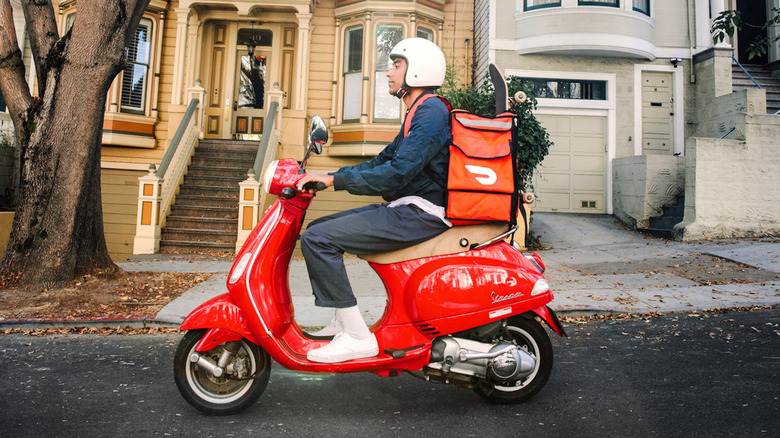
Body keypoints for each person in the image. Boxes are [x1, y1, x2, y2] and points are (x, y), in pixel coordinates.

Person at [295, 37, 451, 363]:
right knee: (320, 227)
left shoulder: (432, 111)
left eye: (396, 65)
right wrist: (329, 177)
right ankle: (343, 320)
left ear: (418, 71)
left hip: (422, 212)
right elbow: (382, 162)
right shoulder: (417, 112)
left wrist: (336, 180)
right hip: (407, 207)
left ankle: (356, 336)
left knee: (318, 239)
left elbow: (397, 173)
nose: (389, 73)